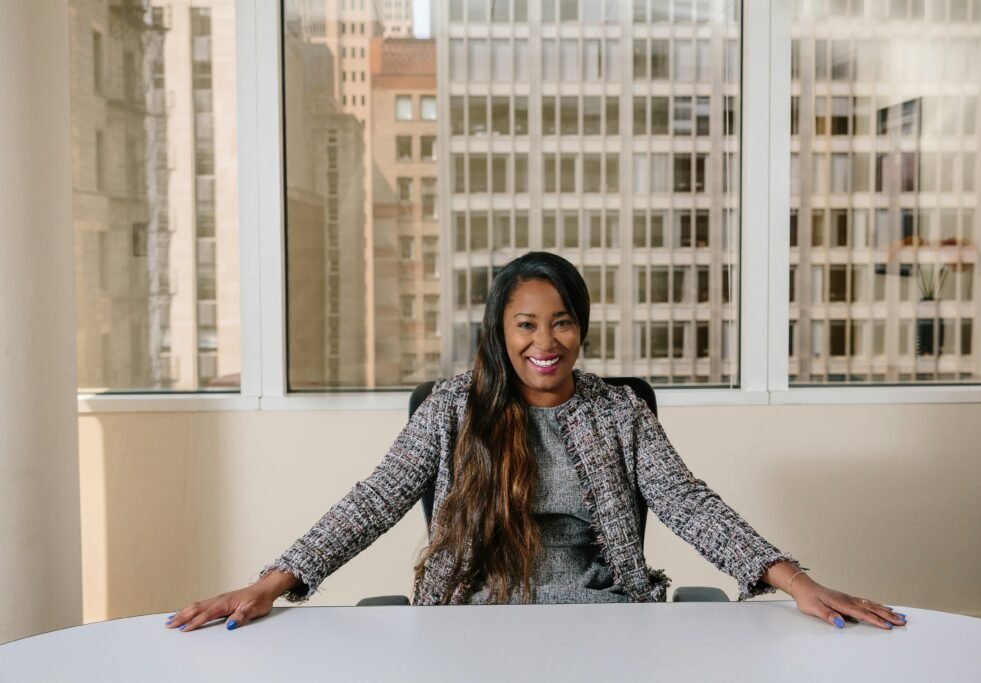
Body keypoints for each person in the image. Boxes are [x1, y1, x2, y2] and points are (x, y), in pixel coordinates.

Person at [166, 252, 907, 632]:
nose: (545, 341)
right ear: (500, 330)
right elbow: (374, 499)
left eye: (561, 321)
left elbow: (688, 503)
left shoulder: (618, 411)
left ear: (580, 326)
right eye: (526, 323)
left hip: (605, 617)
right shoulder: (455, 408)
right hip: (472, 622)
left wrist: (796, 581)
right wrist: (271, 582)